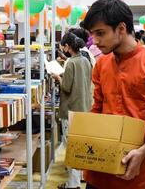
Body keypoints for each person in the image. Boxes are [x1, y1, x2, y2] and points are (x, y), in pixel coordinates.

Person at [80, 0, 145, 189]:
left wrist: (144, 151)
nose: (96, 41)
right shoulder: (102, 64)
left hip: (139, 169)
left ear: (121, 28)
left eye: (101, 33)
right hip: (100, 171)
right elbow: (97, 108)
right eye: (93, 34)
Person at [52, 32, 92, 189]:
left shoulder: (71, 63)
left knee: (71, 148)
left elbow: (66, 87)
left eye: (64, 47)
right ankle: (75, 181)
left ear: (68, 47)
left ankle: (73, 185)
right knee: (81, 147)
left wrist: (58, 78)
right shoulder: (85, 60)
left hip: (71, 110)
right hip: (84, 108)